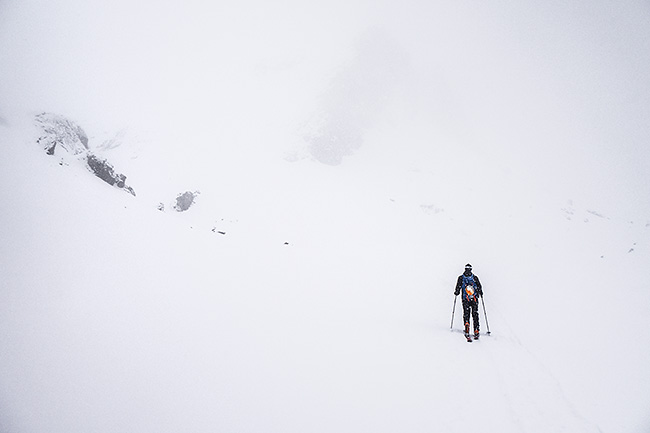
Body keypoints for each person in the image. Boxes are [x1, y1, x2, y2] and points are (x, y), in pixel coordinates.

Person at [454, 263, 483, 339]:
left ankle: (467, 325)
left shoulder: (461, 278)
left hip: (465, 298)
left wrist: (456, 292)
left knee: (466, 313)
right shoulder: (475, 278)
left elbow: (458, 287)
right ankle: (476, 329)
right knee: (475, 313)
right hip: (474, 298)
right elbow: (479, 287)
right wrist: (481, 293)